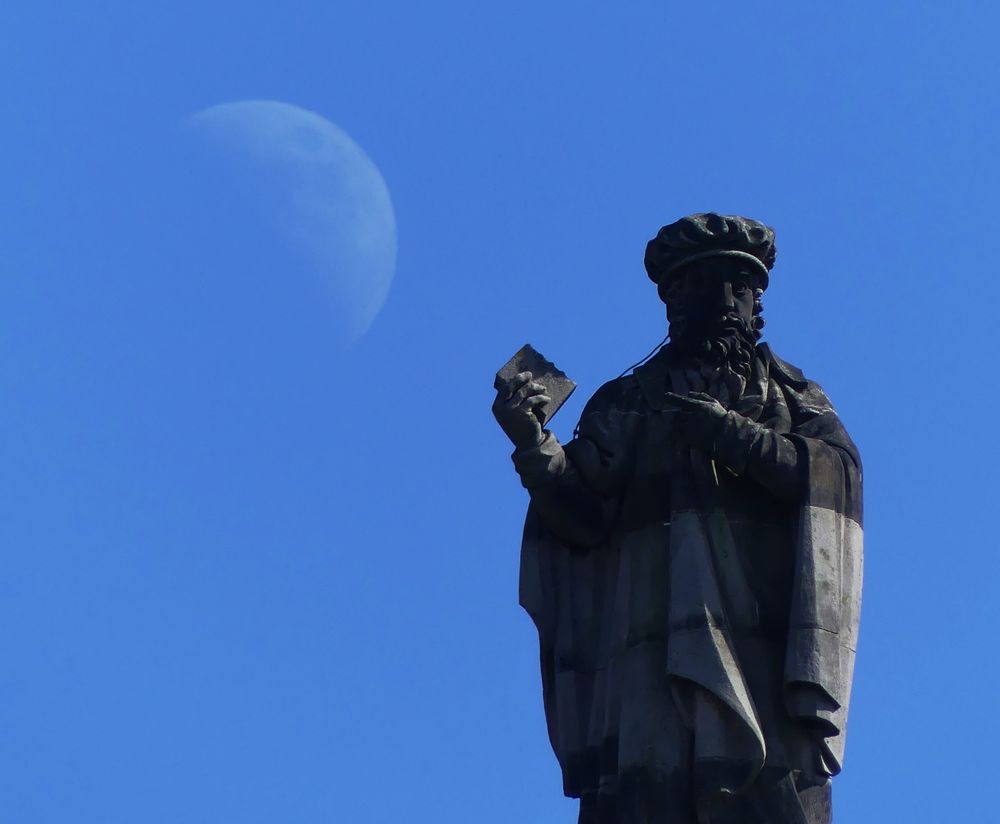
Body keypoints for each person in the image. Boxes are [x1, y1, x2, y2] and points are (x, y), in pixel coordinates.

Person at [492, 214, 863, 824]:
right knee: (648, 795)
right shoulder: (628, 403)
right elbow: (581, 519)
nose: (728, 302)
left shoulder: (793, 398)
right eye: (708, 285)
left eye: (741, 287)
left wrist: (733, 435)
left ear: (758, 302)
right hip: (649, 650)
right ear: (675, 301)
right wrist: (534, 445)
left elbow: (834, 475)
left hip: (760, 647)